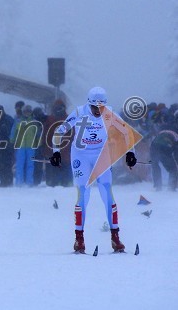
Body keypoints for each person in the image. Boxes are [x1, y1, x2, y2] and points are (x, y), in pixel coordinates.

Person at [50, 87, 137, 253]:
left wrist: (130, 153)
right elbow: (59, 131)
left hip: (101, 154)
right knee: (83, 193)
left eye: (101, 107)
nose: (98, 111)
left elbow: (127, 132)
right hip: (80, 155)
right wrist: (56, 152)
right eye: (95, 107)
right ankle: (79, 239)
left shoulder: (109, 113)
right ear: (88, 104)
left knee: (107, 192)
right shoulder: (79, 112)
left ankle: (115, 237)